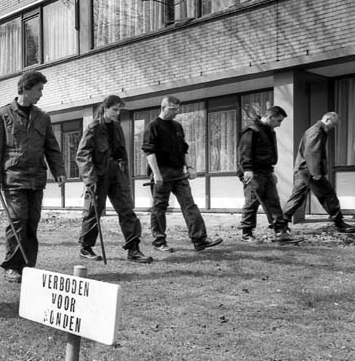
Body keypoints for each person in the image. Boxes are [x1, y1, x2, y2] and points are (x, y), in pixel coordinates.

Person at [0, 71, 66, 283]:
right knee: (18, 220)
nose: (41, 94)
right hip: (13, 178)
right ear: (26, 88)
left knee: (32, 222)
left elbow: (52, 147)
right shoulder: (3, 114)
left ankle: (28, 266)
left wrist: (58, 170)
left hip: (37, 178)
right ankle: (12, 266)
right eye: (39, 89)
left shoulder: (43, 117)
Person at [76, 95, 153, 264]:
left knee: (126, 209)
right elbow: (82, 155)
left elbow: (121, 151)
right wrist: (90, 179)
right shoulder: (93, 128)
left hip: (116, 174)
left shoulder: (117, 127)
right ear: (105, 108)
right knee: (93, 211)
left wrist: (123, 172)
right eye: (114, 110)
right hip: (98, 175)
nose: (117, 113)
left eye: (119, 110)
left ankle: (133, 249)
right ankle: (86, 248)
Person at [142, 96, 223, 252]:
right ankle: (159, 241)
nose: (175, 112)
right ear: (163, 107)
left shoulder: (177, 126)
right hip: (162, 172)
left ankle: (200, 239)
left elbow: (184, 149)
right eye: (172, 109)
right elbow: (149, 152)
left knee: (189, 205)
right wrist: (157, 174)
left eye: (177, 109)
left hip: (179, 172)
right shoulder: (153, 126)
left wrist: (190, 167)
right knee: (160, 207)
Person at [282, 112, 355, 233]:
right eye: (334, 123)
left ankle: (281, 223)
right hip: (309, 170)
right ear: (326, 119)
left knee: (297, 197)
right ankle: (339, 222)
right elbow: (312, 153)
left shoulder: (318, 130)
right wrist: (316, 172)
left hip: (302, 169)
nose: (334, 126)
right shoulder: (316, 131)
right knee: (328, 194)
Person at [237, 106, 299, 242]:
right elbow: (244, 152)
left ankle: (281, 233)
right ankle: (246, 233)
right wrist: (248, 170)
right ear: (270, 117)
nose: (279, 124)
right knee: (252, 202)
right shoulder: (252, 130)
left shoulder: (270, 132)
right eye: (278, 121)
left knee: (273, 201)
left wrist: (272, 172)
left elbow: (267, 154)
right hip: (253, 172)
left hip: (266, 171)